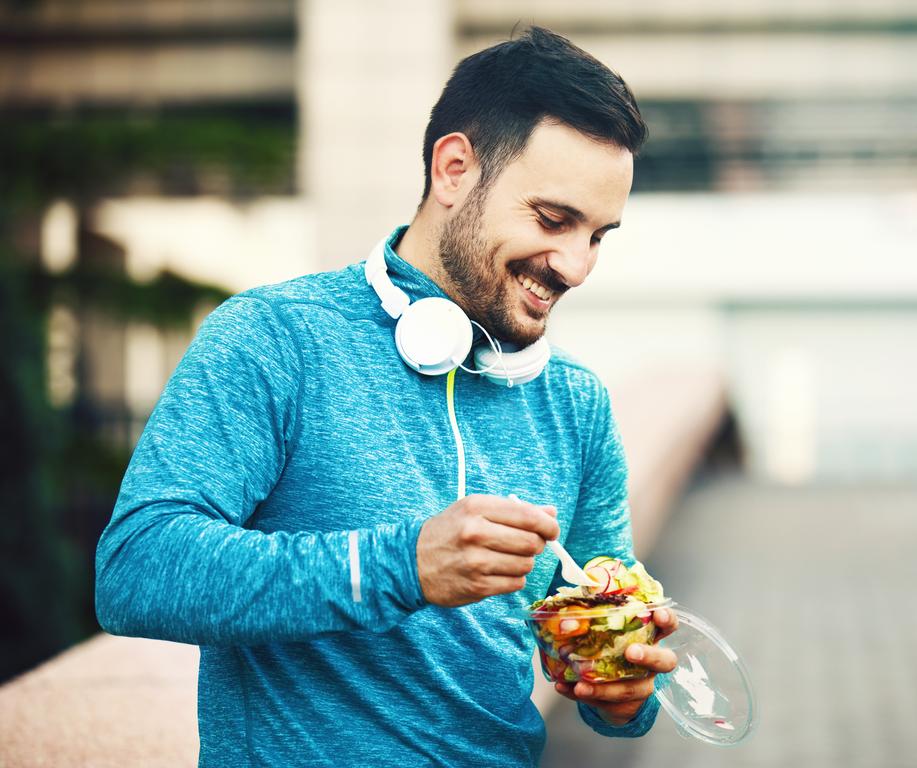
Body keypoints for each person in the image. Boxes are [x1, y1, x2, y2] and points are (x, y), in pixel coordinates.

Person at [95, 26, 678, 767]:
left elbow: (603, 652)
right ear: (455, 168)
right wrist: (400, 566)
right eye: (553, 220)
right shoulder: (275, 339)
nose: (576, 265)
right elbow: (136, 569)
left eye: (600, 235)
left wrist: (621, 688)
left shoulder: (576, 405)